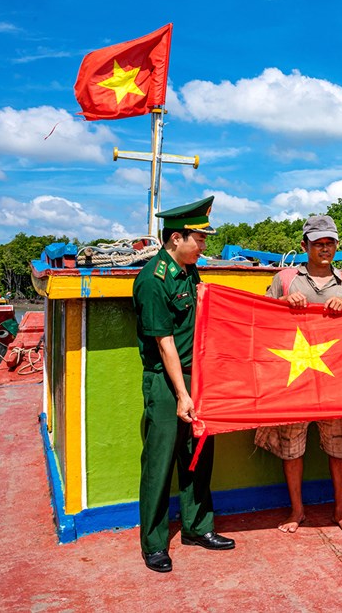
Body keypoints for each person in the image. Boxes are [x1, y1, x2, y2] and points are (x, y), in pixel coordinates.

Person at [131, 196, 235, 574]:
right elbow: (165, 344)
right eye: (199, 239)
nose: (203, 246)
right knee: (159, 463)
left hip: (198, 376)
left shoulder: (189, 271)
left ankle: (197, 527)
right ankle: (155, 544)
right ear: (176, 238)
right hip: (166, 382)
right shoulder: (152, 280)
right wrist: (182, 394)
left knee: (198, 455)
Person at [254, 214, 342, 535]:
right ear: (305, 246)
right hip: (294, 380)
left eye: (330, 242)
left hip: (335, 381)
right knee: (292, 449)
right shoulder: (286, 279)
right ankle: (297, 510)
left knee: (339, 448)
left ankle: (341, 510)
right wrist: (283, 302)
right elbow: (261, 319)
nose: (325, 248)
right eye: (318, 243)